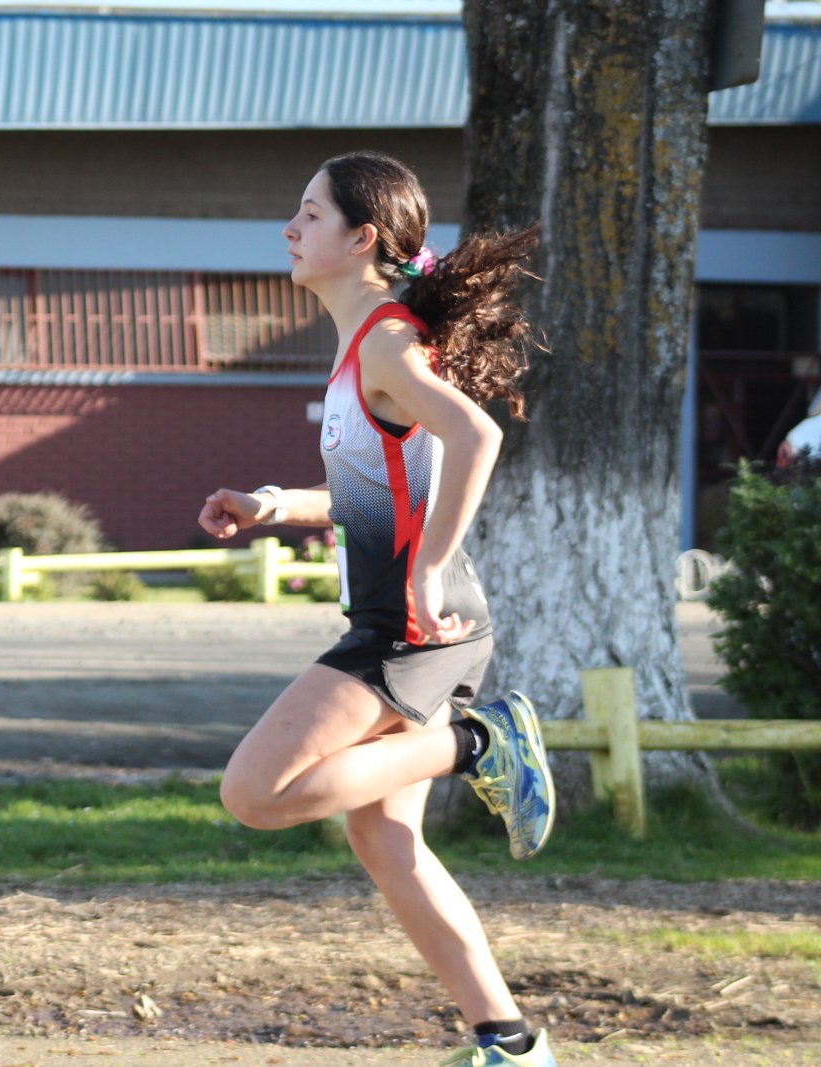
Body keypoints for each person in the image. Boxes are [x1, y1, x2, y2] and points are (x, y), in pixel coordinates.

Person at [198, 151, 557, 1067]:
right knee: (388, 842)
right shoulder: (368, 345)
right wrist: (271, 504)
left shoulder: (390, 342)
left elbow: (477, 434)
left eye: (309, 213)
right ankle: (508, 1042)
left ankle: (479, 743)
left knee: (254, 792)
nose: (290, 228)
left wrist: (430, 565)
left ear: (362, 239)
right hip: (418, 625)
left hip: (412, 629)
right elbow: (369, 484)